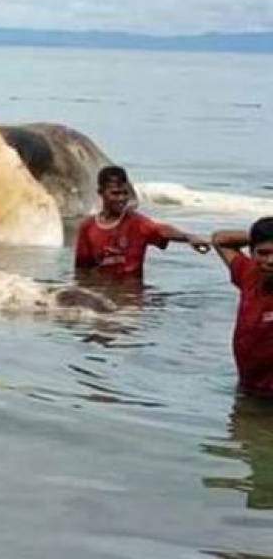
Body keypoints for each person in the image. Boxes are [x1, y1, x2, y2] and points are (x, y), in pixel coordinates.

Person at [74, 166, 211, 278]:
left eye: (124, 193)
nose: (121, 198)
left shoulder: (137, 223)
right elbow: (81, 270)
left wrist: (188, 237)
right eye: (115, 193)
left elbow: (162, 230)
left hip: (131, 299)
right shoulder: (88, 227)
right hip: (101, 293)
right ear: (101, 192)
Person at [210, 216, 273, 395]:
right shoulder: (249, 275)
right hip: (248, 388)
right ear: (252, 253)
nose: (270, 261)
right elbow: (220, 240)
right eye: (263, 253)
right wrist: (259, 234)